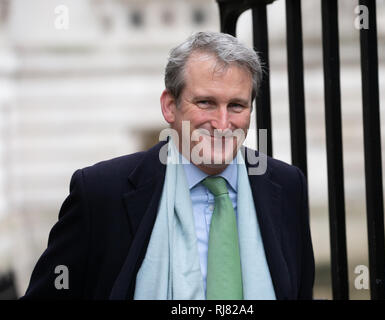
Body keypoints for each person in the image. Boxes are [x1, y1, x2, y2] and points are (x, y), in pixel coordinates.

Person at [22, 31, 314, 300]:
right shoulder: (100, 192)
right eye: (206, 103)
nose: (223, 124)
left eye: (236, 106)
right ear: (169, 106)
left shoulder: (288, 186)